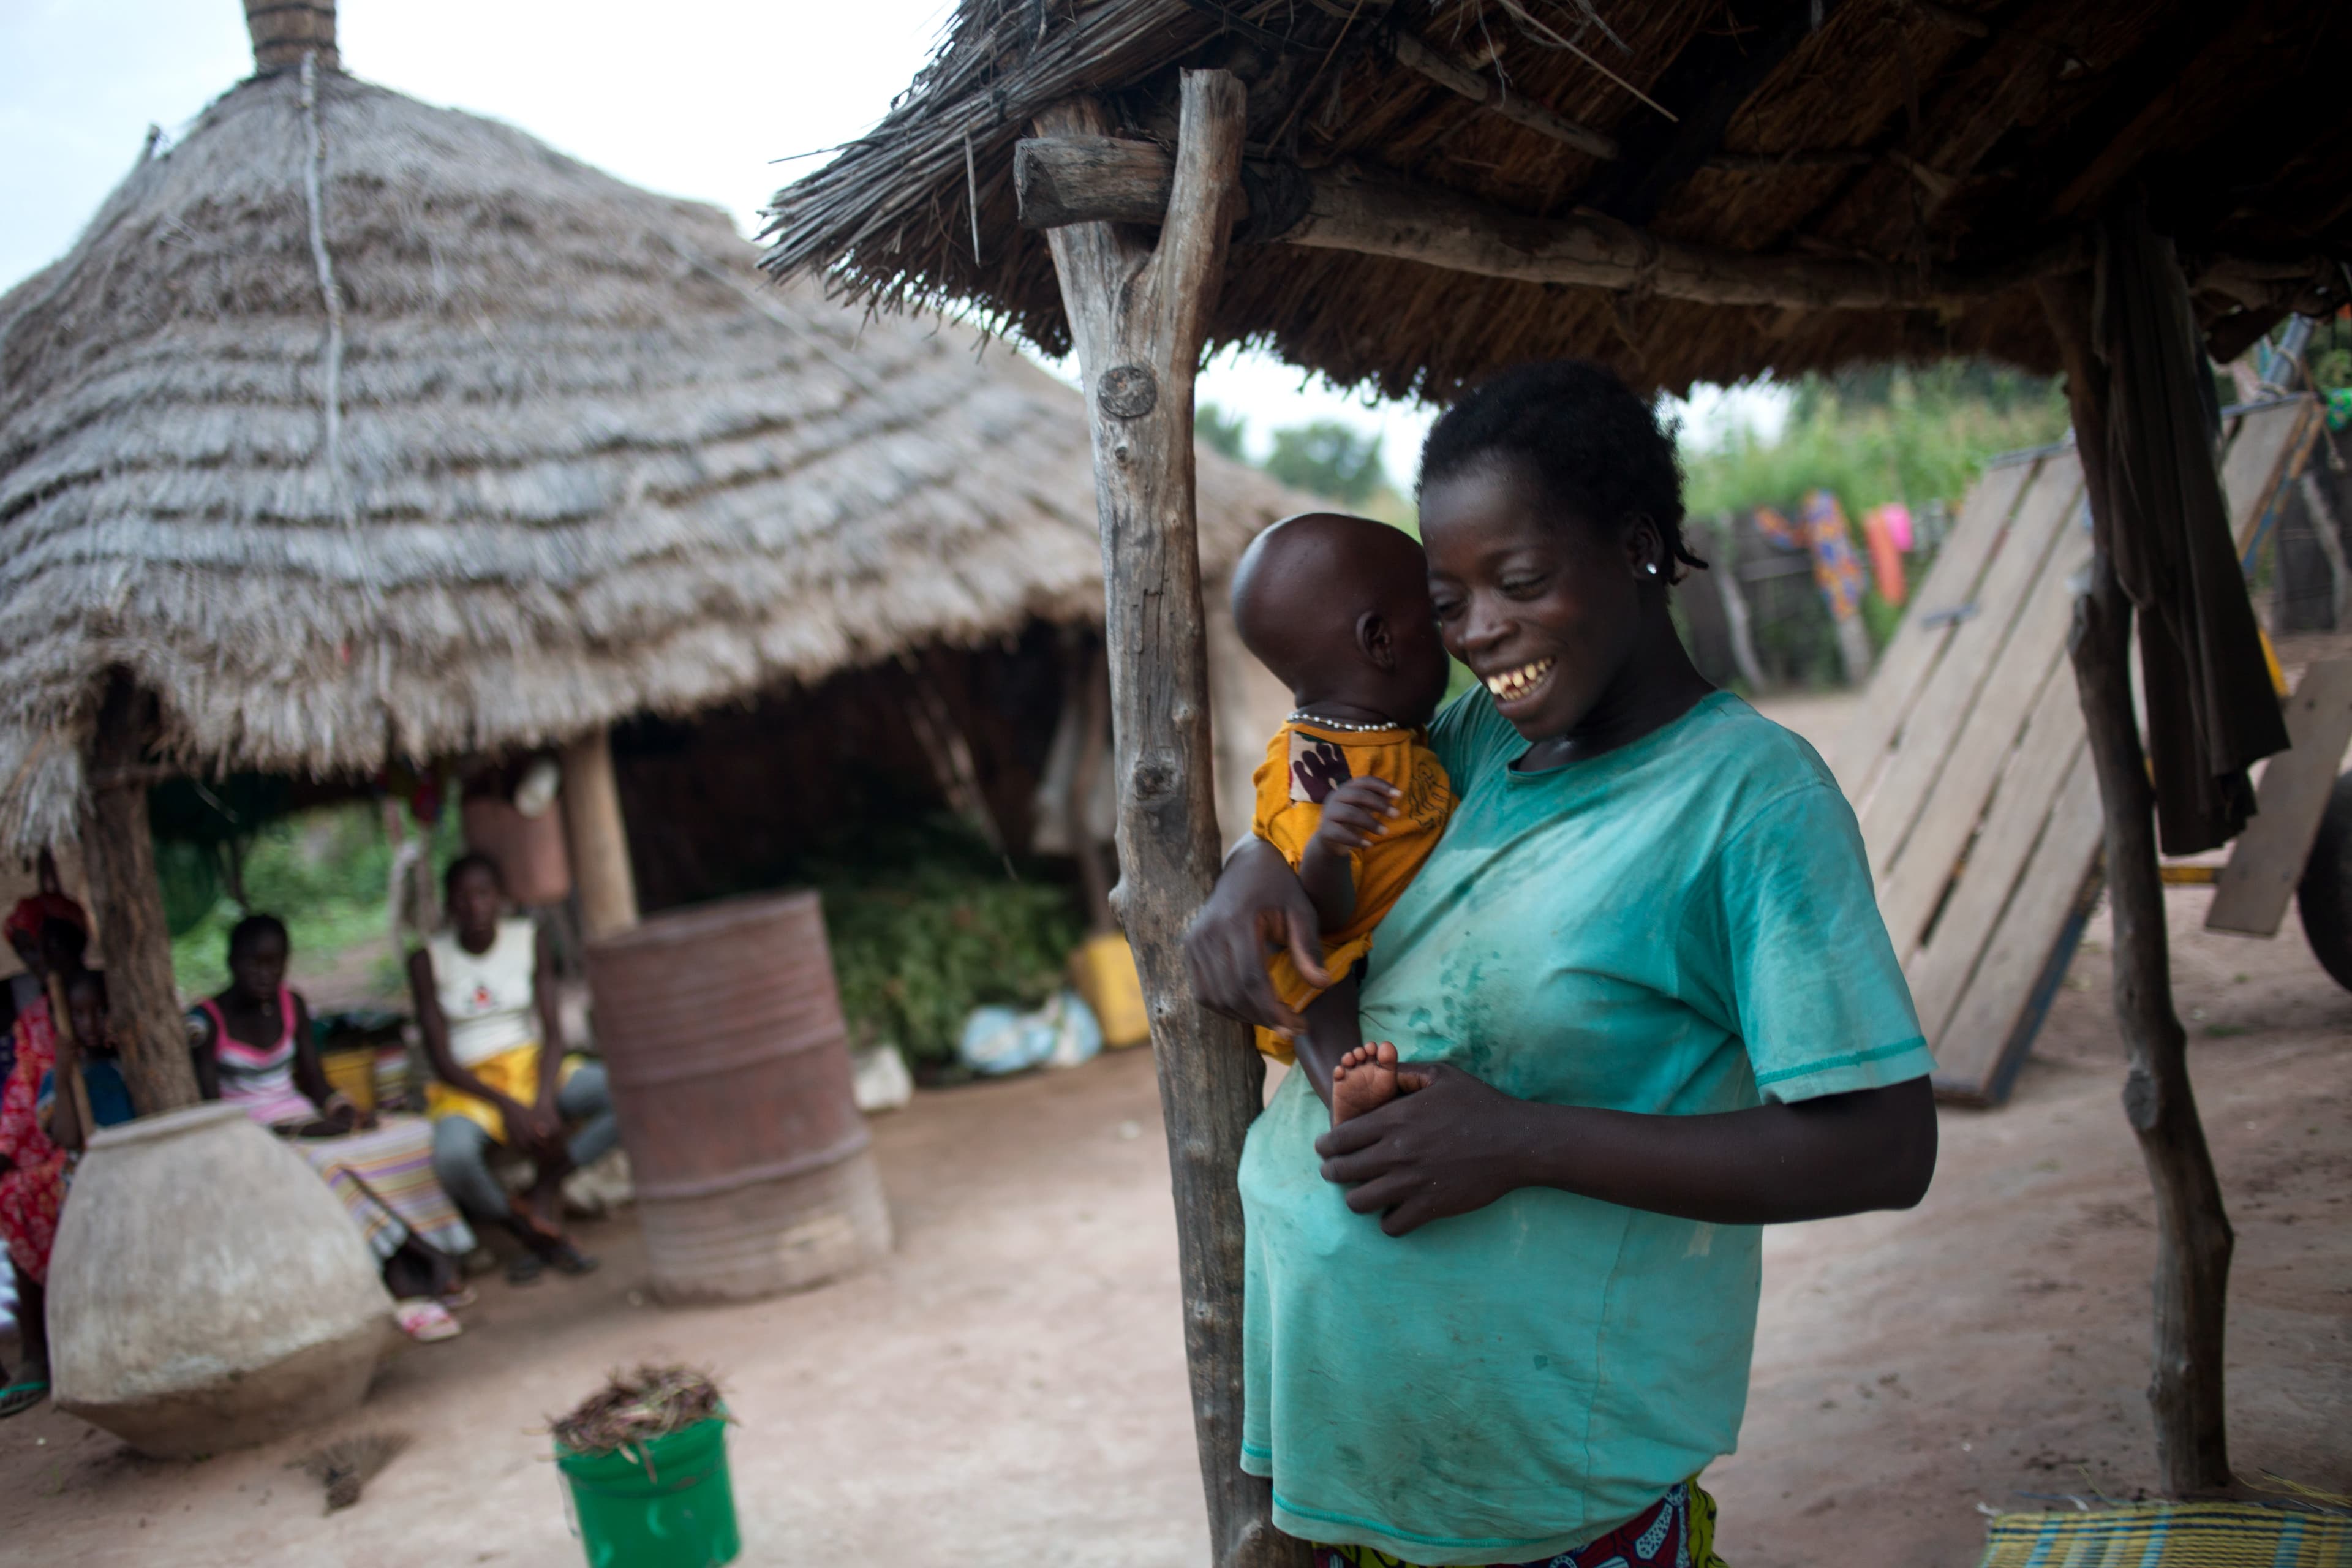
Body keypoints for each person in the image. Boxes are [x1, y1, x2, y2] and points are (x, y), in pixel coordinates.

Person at [1185, 361, 1939, 1567]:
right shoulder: (1467, 740)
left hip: (1547, 1492)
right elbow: (1306, 805)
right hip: (1345, 1469)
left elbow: (1885, 1143)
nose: (1480, 630)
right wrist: (1245, 872)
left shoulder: (1749, 800)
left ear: (1638, 545)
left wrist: (1526, 1139)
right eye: (1451, 597)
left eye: (1519, 581)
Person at [1227, 512, 1457, 1123]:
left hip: (1393, 933)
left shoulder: (1396, 738)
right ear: (1381, 641)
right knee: (1315, 977)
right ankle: (1346, 1095)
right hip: (1334, 940)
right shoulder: (1318, 759)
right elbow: (1319, 913)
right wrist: (1328, 846)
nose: (1453, 637)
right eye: (1436, 619)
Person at [190, 914, 475, 1341]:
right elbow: (213, 1112)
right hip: (251, 1137)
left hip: (302, 1119)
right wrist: (296, 1133)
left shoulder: (292, 1005)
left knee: (408, 1134)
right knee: (324, 1165)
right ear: (232, 961)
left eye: (276, 963)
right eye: (255, 963)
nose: (266, 974)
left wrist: (342, 1110)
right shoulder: (205, 1022)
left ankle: (431, 1250)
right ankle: (416, 1258)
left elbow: (316, 1081)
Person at [411, 854, 614, 1283]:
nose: (475, 907)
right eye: (463, 898)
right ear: (449, 905)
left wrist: (542, 1101)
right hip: (470, 1085)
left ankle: (546, 1185)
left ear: (501, 899)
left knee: (622, 1094)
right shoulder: (428, 960)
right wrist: (507, 1106)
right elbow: (442, 1061)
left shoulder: (529, 939)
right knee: (453, 1157)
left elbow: (554, 1034)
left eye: (484, 894)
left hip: (532, 1067)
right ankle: (525, 1228)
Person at [0, 890, 91, 1419]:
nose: (43, 963)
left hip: (90, 1139)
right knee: (14, 1193)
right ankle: (38, 1351)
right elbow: (24, 1096)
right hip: (48, 1140)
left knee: (58, 1187)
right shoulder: (31, 1020)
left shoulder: (95, 996)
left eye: (51, 948)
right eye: (31, 952)